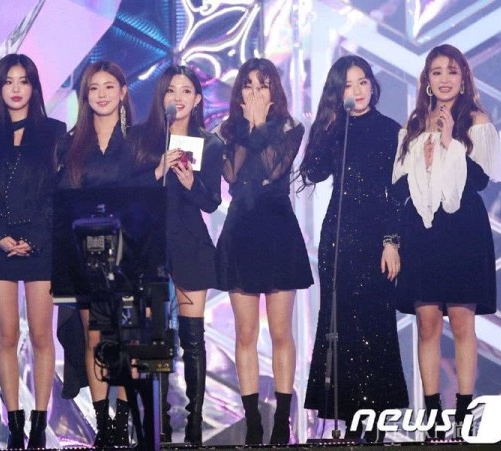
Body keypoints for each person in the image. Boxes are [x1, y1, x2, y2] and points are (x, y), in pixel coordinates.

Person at [392, 44, 501, 439]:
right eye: (436, 71)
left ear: (463, 78)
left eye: (451, 71)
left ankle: (464, 416)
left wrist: (451, 138)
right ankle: (435, 418)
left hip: (463, 231)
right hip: (421, 231)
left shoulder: (477, 121)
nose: (444, 79)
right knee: (426, 323)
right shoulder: (412, 126)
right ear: (427, 80)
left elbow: (481, 181)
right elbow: (398, 187)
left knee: (461, 321)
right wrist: (423, 160)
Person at [299, 55, 408, 442]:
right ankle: (349, 420)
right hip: (338, 239)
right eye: (348, 85)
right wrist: (325, 127)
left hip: (375, 239)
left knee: (374, 327)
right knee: (339, 326)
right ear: (338, 92)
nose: (358, 91)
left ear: (372, 85)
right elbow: (313, 171)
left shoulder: (390, 130)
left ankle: (375, 422)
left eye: (363, 82)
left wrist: (391, 241)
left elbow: (398, 193)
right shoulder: (335, 129)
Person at [215, 57, 313, 445]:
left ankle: (283, 419)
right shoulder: (226, 131)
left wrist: (258, 128)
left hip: (277, 231)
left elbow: (273, 170)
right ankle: (253, 419)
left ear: (275, 91)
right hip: (241, 230)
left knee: (281, 331)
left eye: (263, 85)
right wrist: (248, 129)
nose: (255, 92)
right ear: (238, 91)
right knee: (245, 332)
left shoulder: (290, 128)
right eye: (249, 85)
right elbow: (233, 176)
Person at [0, 53, 66, 449]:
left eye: (23, 81)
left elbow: (58, 192)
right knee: (6, 335)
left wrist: (37, 238)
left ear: (33, 87)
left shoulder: (55, 131)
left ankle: (40, 425)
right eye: (8, 81)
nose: (15, 88)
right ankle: (15, 426)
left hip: (41, 243)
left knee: (42, 335)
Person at [128, 65, 224, 445]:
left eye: (186, 91)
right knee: (156, 338)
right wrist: (158, 171)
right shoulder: (143, 139)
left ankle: (195, 423)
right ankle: (160, 422)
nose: (178, 97)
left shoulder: (209, 144)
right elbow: (128, 190)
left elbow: (211, 202)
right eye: (171, 90)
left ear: (197, 99)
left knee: (192, 338)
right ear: (162, 97)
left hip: (190, 244)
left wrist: (191, 181)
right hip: (150, 246)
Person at [55, 60, 133, 447]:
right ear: (85, 96)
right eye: (94, 88)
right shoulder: (70, 144)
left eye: (109, 87)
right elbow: (62, 201)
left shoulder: (138, 143)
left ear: (123, 92)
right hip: (84, 255)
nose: (101, 94)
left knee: (127, 340)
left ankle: (123, 423)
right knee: (96, 337)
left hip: (129, 255)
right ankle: (103, 424)